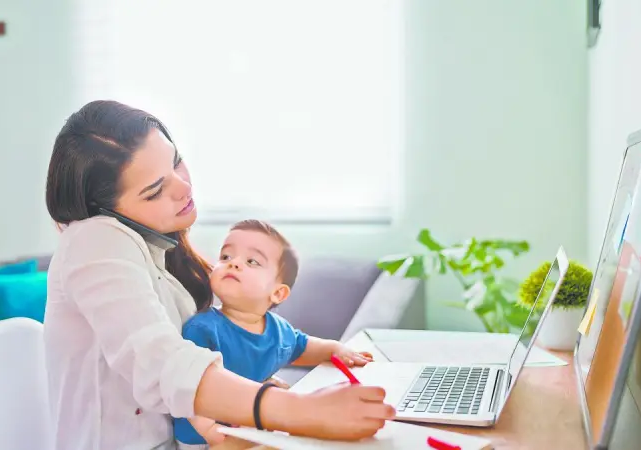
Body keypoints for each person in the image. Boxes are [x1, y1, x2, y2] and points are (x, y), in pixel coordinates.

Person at [44, 100, 395, 449]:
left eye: (176, 160)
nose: (183, 186)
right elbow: (160, 363)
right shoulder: (94, 238)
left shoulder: (160, 254)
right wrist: (297, 410)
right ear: (105, 211)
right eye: (155, 191)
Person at [173, 219, 375, 448]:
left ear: (278, 293)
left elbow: (304, 347)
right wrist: (210, 431)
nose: (234, 264)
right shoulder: (202, 329)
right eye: (226, 257)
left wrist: (336, 349)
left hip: (251, 423)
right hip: (203, 437)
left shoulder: (278, 330)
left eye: (252, 261)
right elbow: (190, 385)